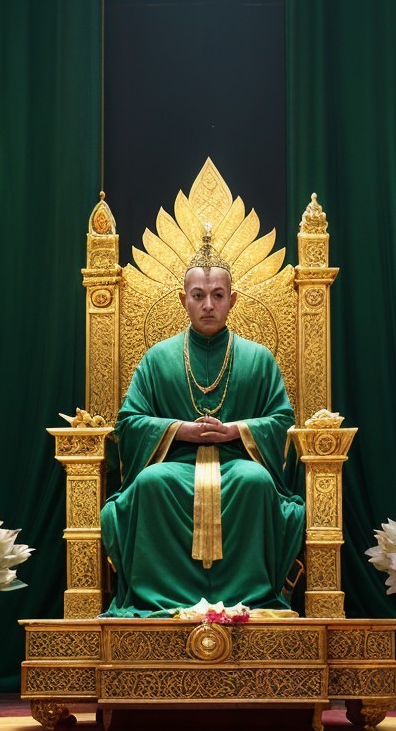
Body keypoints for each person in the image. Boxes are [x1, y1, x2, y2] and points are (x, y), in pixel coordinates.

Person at [99, 226, 305, 616]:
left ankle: (248, 595)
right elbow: (128, 422)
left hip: (238, 463)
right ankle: (160, 596)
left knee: (256, 482)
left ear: (232, 300)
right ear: (184, 300)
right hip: (174, 465)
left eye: (217, 295)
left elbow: (282, 420)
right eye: (198, 296)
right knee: (147, 483)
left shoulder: (258, 358)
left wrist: (235, 430)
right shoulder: (158, 358)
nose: (208, 304)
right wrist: (179, 430)